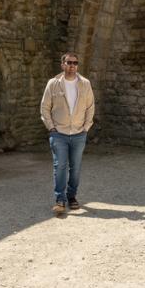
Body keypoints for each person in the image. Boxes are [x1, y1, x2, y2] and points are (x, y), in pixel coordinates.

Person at [40, 51, 95, 216]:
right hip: (59, 134)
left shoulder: (85, 83)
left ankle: (72, 197)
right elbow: (44, 107)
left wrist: (86, 127)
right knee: (60, 167)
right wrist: (51, 127)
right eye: (69, 62)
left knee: (75, 168)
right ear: (62, 64)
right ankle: (60, 200)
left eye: (75, 63)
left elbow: (90, 106)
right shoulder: (53, 83)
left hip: (79, 133)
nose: (72, 66)